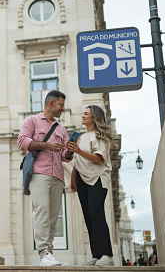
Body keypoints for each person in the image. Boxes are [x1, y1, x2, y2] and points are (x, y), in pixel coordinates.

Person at [17, 90, 72, 267]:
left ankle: (49, 253)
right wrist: (47, 145)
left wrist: (70, 151)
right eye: (61, 105)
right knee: (41, 212)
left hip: (58, 175)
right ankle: (43, 253)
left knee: (53, 217)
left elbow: (64, 155)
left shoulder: (61, 129)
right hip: (39, 172)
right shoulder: (31, 121)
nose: (63, 108)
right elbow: (22, 141)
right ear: (51, 104)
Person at [68, 105, 114, 267]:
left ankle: (107, 255)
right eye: (83, 113)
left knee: (96, 213)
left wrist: (79, 151)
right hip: (82, 178)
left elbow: (98, 159)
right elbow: (78, 160)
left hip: (98, 179)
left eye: (86, 114)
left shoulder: (100, 136)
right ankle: (96, 254)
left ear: (94, 117)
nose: (83, 116)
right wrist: (73, 177)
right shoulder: (81, 137)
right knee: (88, 216)